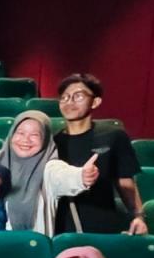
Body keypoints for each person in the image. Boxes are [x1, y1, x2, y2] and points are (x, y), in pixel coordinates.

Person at [53, 74, 147, 236]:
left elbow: (125, 183)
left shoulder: (114, 137)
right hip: (61, 226)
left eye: (78, 96)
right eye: (64, 97)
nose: (69, 102)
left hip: (102, 222)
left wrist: (138, 216)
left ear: (95, 102)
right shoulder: (53, 143)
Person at [0, 110, 97, 234]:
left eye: (34, 135)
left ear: (45, 139)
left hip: (34, 243)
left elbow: (62, 176)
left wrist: (81, 176)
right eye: (20, 133)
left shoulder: (49, 168)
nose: (26, 140)